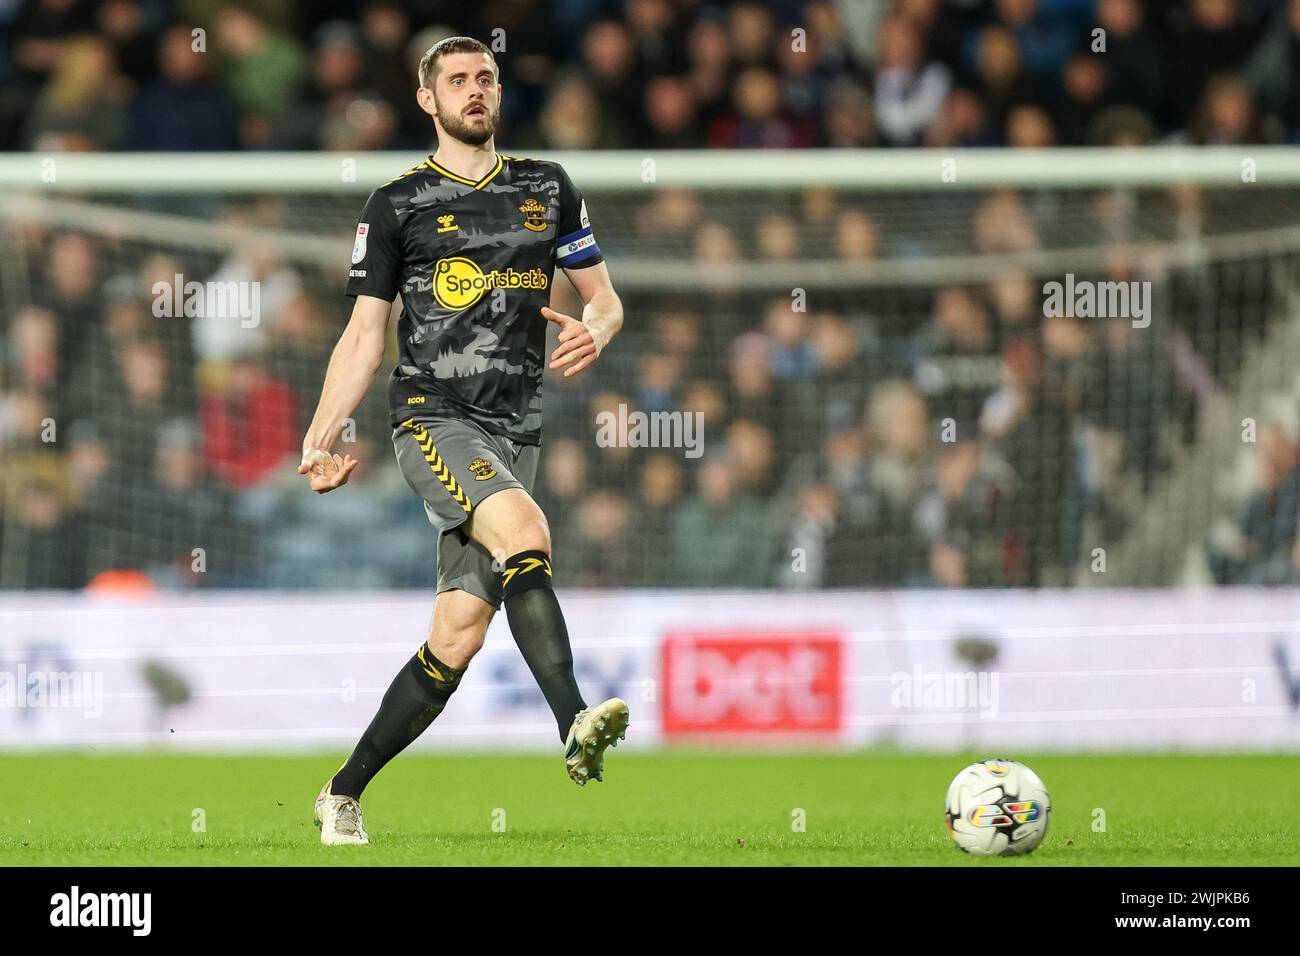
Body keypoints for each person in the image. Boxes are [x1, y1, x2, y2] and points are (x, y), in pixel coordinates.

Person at [297, 36, 627, 846]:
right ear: (428, 100)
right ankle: (574, 724)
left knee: (458, 634)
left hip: (518, 426)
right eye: (457, 81)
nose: (474, 91)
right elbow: (364, 336)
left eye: (485, 78)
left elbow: (606, 300)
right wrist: (319, 437)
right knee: (528, 531)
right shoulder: (397, 203)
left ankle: (341, 792)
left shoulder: (548, 187)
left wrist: (597, 332)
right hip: (433, 415)